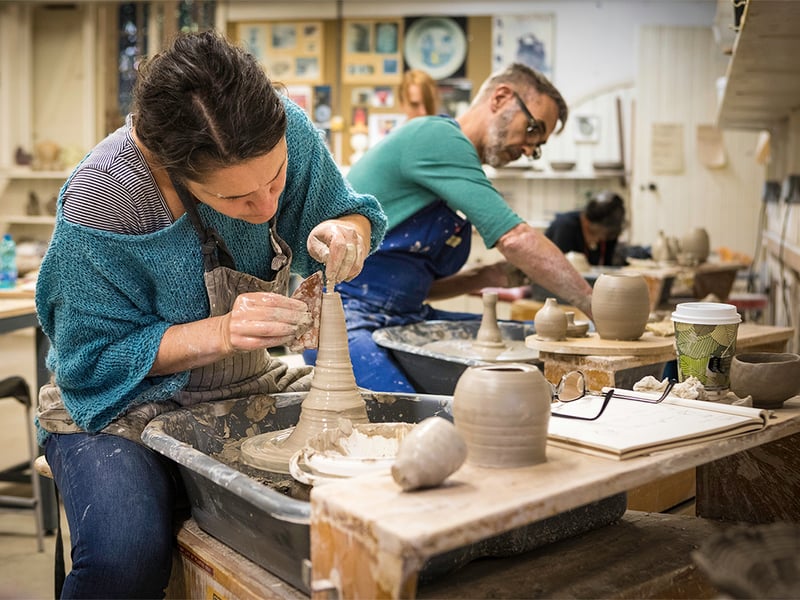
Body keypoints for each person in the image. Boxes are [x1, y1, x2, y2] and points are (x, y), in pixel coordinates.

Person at [34, 30, 386, 599]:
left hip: (251, 382)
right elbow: (87, 363)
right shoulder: (105, 200)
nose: (268, 206)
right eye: (237, 200)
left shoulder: (282, 128)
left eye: (275, 179)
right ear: (169, 166)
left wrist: (346, 231)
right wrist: (221, 331)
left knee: (376, 478)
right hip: (118, 407)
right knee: (125, 558)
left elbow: (345, 211)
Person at [304, 63, 593, 393]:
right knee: (429, 428)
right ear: (501, 98)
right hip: (341, 318)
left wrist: (484, 279)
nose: (529, 150)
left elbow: (406, 290)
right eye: (532, 130)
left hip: (403, 315)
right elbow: (514, 238)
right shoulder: (437, 137)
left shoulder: (455, 168)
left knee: (538, 340)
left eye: (537, 145)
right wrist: (593, 302)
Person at [545, 191, 626, 266]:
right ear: (586, 221)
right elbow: (560, 268)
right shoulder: (565, 227)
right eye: (596, 234)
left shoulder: (610, 234)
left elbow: (607, 267)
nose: (598, 240)